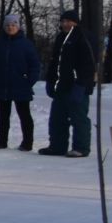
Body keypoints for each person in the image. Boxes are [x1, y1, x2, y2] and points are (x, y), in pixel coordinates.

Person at [40, 8, 98, 157]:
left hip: (78, 86)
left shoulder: (84, 37)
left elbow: (89, 64)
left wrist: (81, 84)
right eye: (63, 21)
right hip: (61, 86)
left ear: (75, 22)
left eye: (69, 21)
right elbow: (55, 62)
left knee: (78, 118)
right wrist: (50, 80)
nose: (65, 24)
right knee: (57, 118)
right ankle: (57, 146)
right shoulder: (61, 38)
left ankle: (81, 148)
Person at [0, 12, 40, 150]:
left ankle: (27, 142)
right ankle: (1, 142)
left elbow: (35, 65)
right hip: (1, 86)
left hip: (21, 85)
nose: (10, 27)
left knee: (24, 115)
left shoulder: (26, 44)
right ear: (4, 27)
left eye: (13, 24)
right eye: (8, 25)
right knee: (3, 116)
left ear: (18, 26)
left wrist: (29, 81)